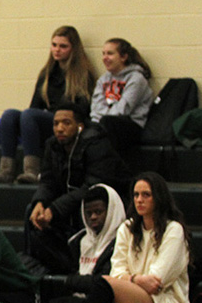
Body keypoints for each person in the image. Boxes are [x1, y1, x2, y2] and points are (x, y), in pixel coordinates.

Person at [66, 171, 193, 303]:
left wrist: (129, 281)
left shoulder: (174, 230)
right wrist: (136, 280)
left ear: (159, 197)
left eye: (146, 195)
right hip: (132, 302)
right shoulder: (127, 228)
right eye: (136, 195)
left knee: (104, 284)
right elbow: (117, 271)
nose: (139, 200)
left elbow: (156, 281)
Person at [0, 184, 126, 303]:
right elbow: (62, 265)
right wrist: (41, 233)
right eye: (88, 212)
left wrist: (72, 281)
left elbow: (105, 282)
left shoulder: (122, 242)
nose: (92, 217)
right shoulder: (79, 240)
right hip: (72, 300)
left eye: (98, 212)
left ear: (112, 212)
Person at [0, 26, 95, 184]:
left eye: (63, 46)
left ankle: (32, 170)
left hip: (65, 124)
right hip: (46, 121)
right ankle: (6, 171)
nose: (57, 50)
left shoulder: (82, 74)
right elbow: (34, 106)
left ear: (73, 48)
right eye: (54, 45)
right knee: (9, 115)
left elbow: (82, 110)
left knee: (29, 115)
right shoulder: (47, 72)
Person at [26, 102, 130, 275]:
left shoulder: (96, 143)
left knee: (87, 209)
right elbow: (47, 181)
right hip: (70, 204)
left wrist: (55, 208)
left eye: (66, 123)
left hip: (100, 203)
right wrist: (40, 202)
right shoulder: (52, 145)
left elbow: (92, 186)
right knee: (33, 212)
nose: (59, 128)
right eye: (56, 123)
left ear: (80, 126)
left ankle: (80, 271)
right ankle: (39, 269)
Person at [89, 38, 155, 157]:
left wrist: (101, 124)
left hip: (131, 125)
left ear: (123, 57)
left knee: (107, 123)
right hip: (106, 124)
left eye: (110, 54)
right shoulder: (103, 79)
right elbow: (96, 107)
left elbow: (124, 109)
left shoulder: (136, 79)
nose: (105, 58)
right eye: (103, 54)